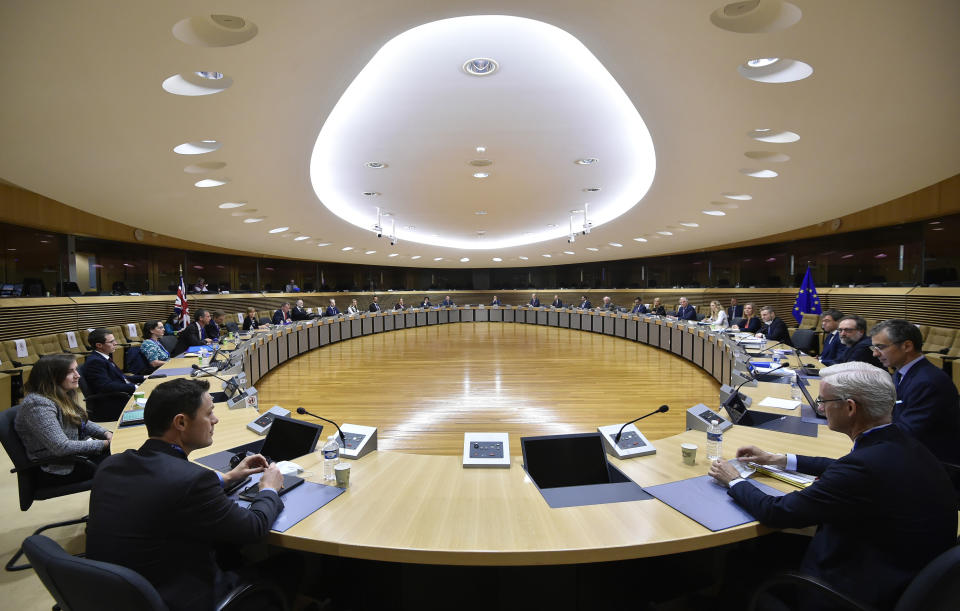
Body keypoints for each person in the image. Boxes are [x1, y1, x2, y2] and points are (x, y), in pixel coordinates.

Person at [708, 364, 956, 609]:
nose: (820, 407)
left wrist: (733, 479)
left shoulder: (863, 468)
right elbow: (844, 466)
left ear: (850, 407)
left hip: (852, 590)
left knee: (740, 567)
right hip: (899, 568)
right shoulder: (898, 442)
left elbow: (777, 512)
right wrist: (779, 459)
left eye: (823, 400)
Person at [86, 378, 293, 611]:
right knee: (291, 564)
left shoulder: (111, 465)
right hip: (179, 599)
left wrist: (227, 478)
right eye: (209, 413)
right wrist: (269, 488)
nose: (215, 420)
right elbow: (254, 528)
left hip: (118, 596)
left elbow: (163, 490)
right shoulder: (191, 480)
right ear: (181, 422)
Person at [869, 319, 960, 464]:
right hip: (908, 452)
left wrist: (865, 435)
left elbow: (907, 432)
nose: (875, 354)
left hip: (930, 464)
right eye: (873, 348)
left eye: (880, 347)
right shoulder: (900, 373)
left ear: (907, 346)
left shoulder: (928, 382)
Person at [15, 354, 112, 486]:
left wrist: (106, 434)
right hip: (59, 468)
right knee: (127, 462)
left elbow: (81, 421)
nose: (78, 375)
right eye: (70, 372)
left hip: (77, 457)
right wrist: (105, 444)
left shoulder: (60, 393)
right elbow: (61, 447)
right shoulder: (37, 404)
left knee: (128, 451)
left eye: (76, 369)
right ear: (52, 377)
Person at [80, 328, 145, 420]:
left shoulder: (103, 357)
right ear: (99, 345)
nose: (115, 343)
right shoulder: (95, 361)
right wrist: (134, 387)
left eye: (114, 340)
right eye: (111, 342)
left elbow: (121, 377)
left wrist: (143, 377)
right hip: (111, 403)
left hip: (120, 396)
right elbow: (105, 386)